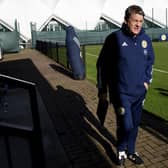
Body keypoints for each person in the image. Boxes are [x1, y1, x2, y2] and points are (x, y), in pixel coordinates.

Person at [96, 5, 155, 166]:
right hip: (121, 93)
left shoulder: (145, 40)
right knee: (126, 124)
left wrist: (146, 82)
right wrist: (102, 90)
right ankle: (121, 150)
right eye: (135, 21)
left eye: (141, 21)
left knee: (134, 125)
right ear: (126, 21)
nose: (138, 24)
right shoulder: (115, 39)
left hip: (139, 93)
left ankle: (131, 150)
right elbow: (102, 65)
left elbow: (150, 61)